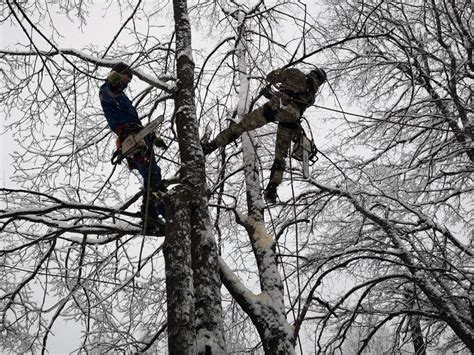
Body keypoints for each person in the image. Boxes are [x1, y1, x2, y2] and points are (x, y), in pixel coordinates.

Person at [202, 66, 327, 203]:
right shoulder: (311, 97)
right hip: (290, 120)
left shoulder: (296, 73)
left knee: (242, 126)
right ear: (319, 83)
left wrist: (280, 76)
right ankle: (271, 189)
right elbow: (294, 102)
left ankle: (210, 146)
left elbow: (271, 76)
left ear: (312, 73)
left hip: (275, 107)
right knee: (280, 156)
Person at [99, 62, 165, 233]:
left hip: (138, 136)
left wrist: (152, 137)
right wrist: (113, 79)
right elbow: (109, 89)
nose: (127, 83)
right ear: (118, 75)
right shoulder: (108, 90)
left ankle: (149, 218)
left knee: (151, 172)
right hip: (128, 137)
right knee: (152, 173)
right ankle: (165, 210)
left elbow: (136, 123)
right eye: (127, 79)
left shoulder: (124, 98)